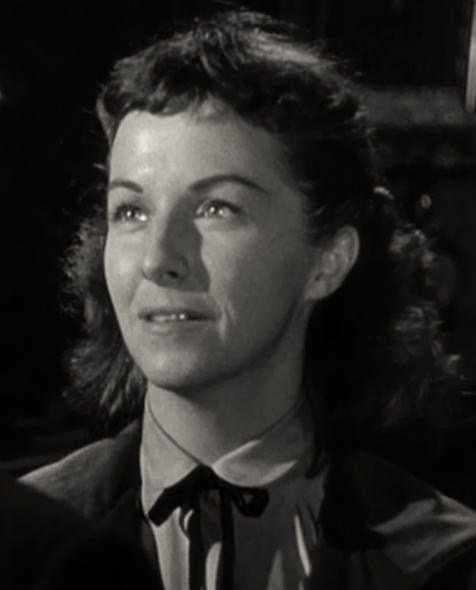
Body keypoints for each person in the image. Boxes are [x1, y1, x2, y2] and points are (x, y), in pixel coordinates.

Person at [21, 9, 476, 590]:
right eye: (131, 211)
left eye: (217, 208)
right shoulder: (23, 540)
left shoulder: (445, 560)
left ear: (327, 261)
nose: (158, 257)